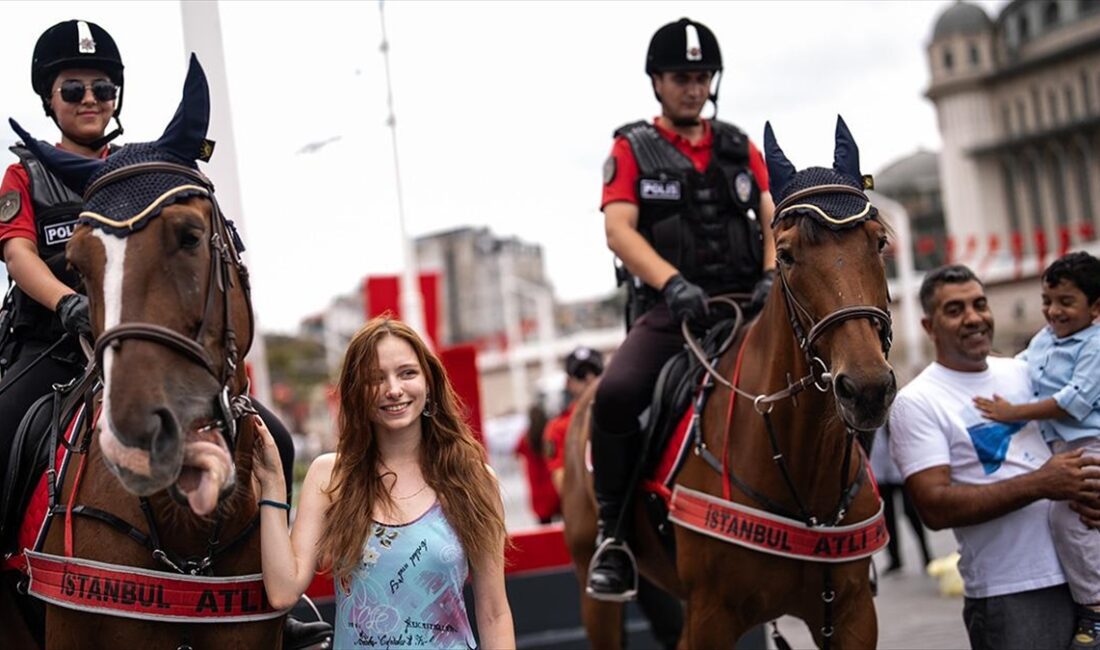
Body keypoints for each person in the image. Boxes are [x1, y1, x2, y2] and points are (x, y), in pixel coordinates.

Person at [0, 20, 297, 513]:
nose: (89, 98)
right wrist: (68, 302)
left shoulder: (139, 172)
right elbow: (18, 254)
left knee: (278, 442)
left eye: (102, 88)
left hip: (137, 337)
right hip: (52, 342)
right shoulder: (22, 173)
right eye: (72, 88)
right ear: (49, 100)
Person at [589, 16, 777, 601]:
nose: (692, 87)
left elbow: (775, 215)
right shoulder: (631, 149)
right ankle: (614, 537)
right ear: (657, 83)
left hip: (751, 305)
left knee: (833, 372)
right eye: (680, 77)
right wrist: (672, 284)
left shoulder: (738, 145)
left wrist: (772, 275)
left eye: (701, 76)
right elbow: (619, 231)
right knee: (617, 394)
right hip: (674, 312)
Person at [253, 316, 515, 649]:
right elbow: (283, 591)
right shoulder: (330, 476)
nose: (393, 390)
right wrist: (273, 486)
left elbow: (494, 612)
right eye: (375, 378)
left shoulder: (473, 480)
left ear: (429, 382)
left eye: (407, 373)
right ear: (356, 392)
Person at [889, 264, 1100, 650]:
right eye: (955, 310)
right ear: (928, 326)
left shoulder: (1025, 370)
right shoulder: (917, 403)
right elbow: (934, 507)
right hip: (1013, 594)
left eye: (979, 304)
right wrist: (1042, 483)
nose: (973, 318)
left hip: (1088, 576)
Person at [973, 251, 1100, 647]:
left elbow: (1072, 401)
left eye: (1066, 302)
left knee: (1072, 520)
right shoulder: (1044, 340)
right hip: (1060, 446)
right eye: (1047, 300)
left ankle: (1093, 607)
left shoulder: (1095, 345)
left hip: (1089, 444)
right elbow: (1018, 368)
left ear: (1096, 307)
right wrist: (975, 360)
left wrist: (1014, 411)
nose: (1054, 311)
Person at [868, 422, 932, 575]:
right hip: (879, 471)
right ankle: (895, 560)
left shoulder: (895, 411)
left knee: (911, 511)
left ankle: (926, 555)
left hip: (901, 470)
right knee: (887, 516)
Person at [544, 346, 604, 494]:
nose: (589, 378)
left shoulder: (619, 415)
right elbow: (563, 485)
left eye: (595, 371)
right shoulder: (558, 428)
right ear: (568, 382)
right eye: (581, 374)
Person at [514, 402, 558, 524]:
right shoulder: (549, 434)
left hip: (537, 488)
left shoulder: (525, 438)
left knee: (544, 526)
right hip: (553, 484)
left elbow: (516, 453)